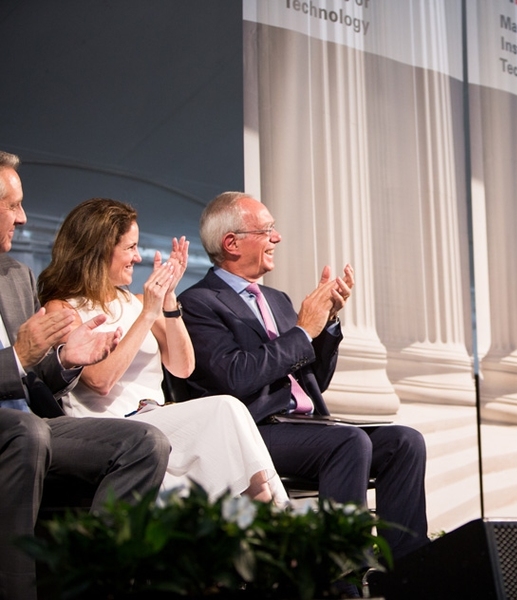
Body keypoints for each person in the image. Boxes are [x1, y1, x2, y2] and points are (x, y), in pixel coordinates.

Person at [178, 192, 428, 560]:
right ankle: (341, 572)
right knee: (349, 443)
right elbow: (235, 377)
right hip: (253, 431)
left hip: (307, 426)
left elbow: (313, 383)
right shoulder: (199, 303)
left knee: (405, 441)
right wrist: (302, 331)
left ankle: (409, 571)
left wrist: (326, 324)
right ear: (232, 243)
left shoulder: (276, 299)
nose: (276, 238)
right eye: (266, 230)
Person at [38, 198, 288, 506]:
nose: (137, 257)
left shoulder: (138, 301)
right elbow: (100, 381)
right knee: (226, 408)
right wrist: (147, 314)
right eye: (130, 247)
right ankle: (274, 513)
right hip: (110, 428)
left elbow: (183, 367)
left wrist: (168, 301)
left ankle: (267, 508)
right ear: (101, 250)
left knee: (230, 422)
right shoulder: (62, 308)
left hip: (157, 416)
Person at [0, 151, 169, 600]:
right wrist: (17, 356)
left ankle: (97, 586)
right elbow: (19, 360)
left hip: (33, 420)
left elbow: (37, 375)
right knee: (26, 432)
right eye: (12, 205)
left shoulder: (14, 274)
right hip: (18, 429)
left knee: (146, 442)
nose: (23, 217)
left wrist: (66, 360)